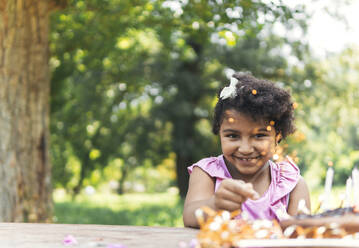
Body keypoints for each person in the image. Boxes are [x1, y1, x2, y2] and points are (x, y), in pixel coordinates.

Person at [183, 72, 311, 228]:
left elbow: (303, 235)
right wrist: (214, 205)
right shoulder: (208, 173)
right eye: (232, 136)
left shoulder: (292, 185)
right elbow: (189, 216)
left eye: (259, 135)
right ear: (220, 133)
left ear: (277, 136)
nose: (245, 149)